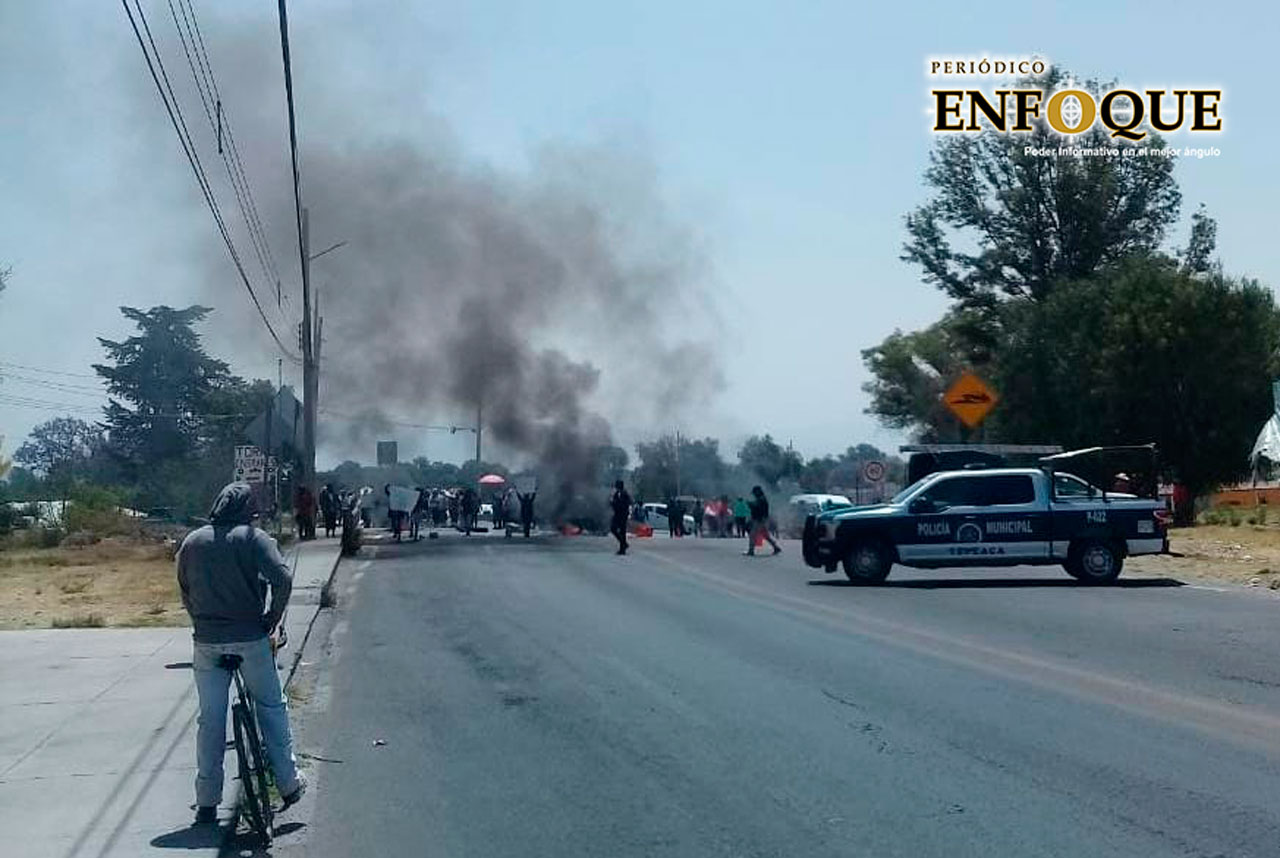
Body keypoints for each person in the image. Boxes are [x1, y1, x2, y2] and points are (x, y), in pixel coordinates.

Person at [177, 482, 306, 825]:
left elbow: (185, 590)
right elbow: (283, 580)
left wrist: (201, 621)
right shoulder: (254, 538)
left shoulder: (192, 542)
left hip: (207, 642)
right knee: (271, 706)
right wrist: (271, 619)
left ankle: (206, 802)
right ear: (248, 508)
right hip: (250, 638)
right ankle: (289, 783)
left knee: (211, 720)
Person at [745, 485, 782, 556]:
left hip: (760, 520)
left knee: (753, 534)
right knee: (765, 535)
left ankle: (751, 550)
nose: (754, 495)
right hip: (762, 519)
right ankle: (776, 547)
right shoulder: (761, 499)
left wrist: (750, 505)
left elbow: (758, 508)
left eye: (754, 493)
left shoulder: (761, 499)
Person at [609, 480, 632, 555]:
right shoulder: (617, 493)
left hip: (622, 515)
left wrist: (614, 503)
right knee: (614, 529)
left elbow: (625, 504)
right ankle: (624, 544)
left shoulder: (624, 494)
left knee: (621, 531)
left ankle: (623, 548)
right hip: (618, 514)